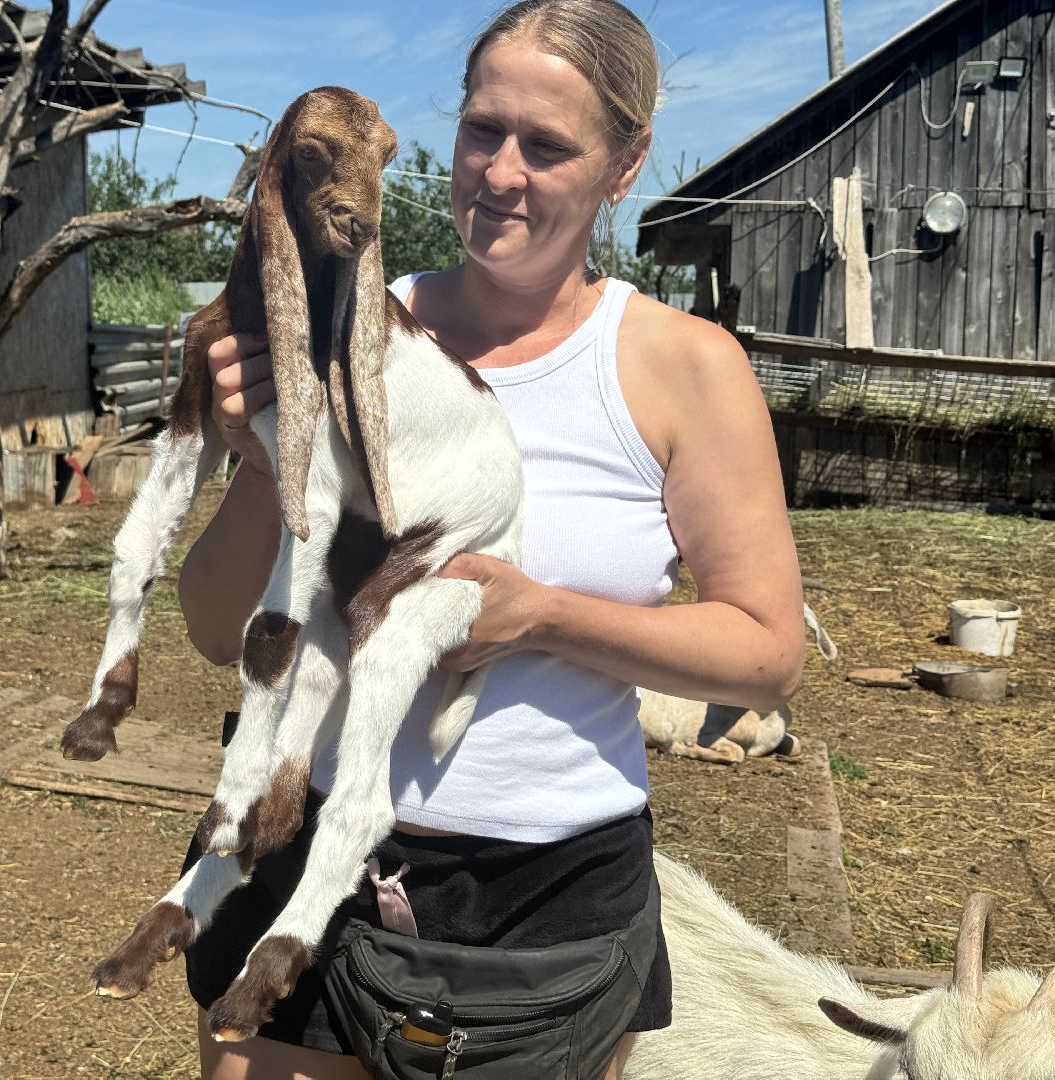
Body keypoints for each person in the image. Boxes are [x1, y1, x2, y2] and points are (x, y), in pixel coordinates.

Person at [175, 1, 806, 1076]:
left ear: (626, 162)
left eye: (548, 145)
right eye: (483, 130)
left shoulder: (682, 369)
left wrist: (540, 616)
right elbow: (210, 625)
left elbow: (764, 650)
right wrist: (265, 451)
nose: (501, 172)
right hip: (301, 839)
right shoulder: (351, 329)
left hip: (543, 906)